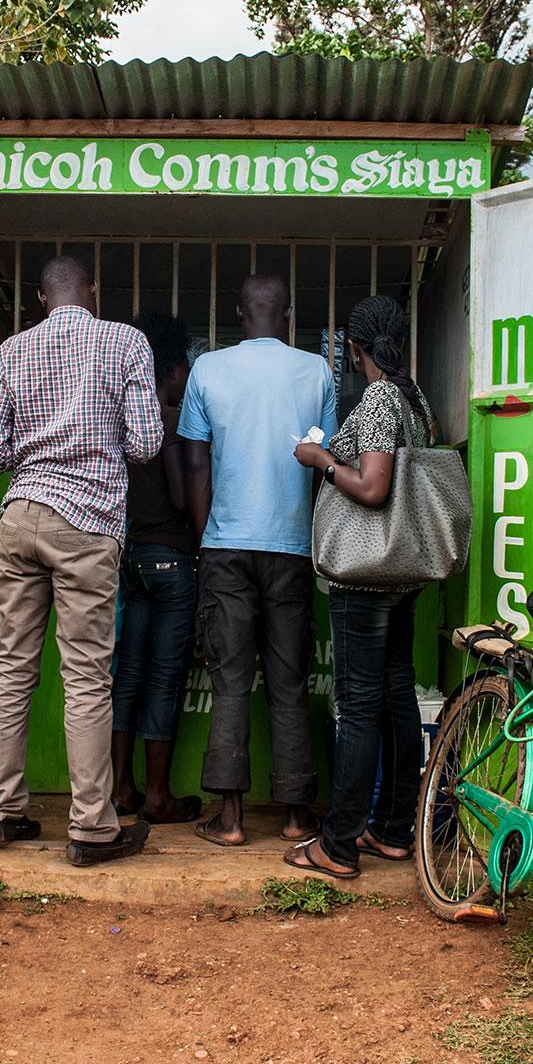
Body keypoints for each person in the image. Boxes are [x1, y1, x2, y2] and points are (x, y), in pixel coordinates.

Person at [0, 255, 162, 867]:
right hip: (86, 523)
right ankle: (91, 829)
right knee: (85, 677)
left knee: (13, 666)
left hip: (19, 516)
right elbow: (146, 443)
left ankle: (1, 812)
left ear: (40, 298)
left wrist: (34, 457)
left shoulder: (11, 351)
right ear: (93, 291)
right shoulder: (125, 342)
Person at [282, 294, 438, 881]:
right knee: (396, 695)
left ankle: (339, 843)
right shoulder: (415, 399)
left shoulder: (377, 398)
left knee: (360, 703)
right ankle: (393, 831)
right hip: (404, 570)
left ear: (354, 348)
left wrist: (319, 457)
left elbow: (373, 488)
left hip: (366, 574)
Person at [179, 274, 336, 846]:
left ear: (239, 313)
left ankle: (232, 820)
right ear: (287, 314)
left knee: (229, 681)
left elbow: (196, 463)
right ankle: (296, 816)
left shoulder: (207, 370)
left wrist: (207, 538)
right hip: (291, 549)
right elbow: (324, 460)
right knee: (290, 683)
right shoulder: (316, 371)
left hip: (226, 547)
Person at [109, 311, 204, 825]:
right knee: (165, 678)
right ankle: (159, 797)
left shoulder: (122, 417)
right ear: (172, 369)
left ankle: (122, 789)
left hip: (133, 560)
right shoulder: (168, 420)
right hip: (172, 561)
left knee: (128, 675)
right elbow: (175, 490)